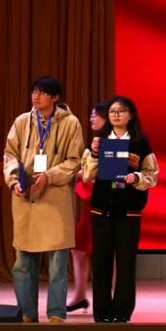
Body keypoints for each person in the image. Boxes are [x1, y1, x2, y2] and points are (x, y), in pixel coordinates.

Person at [2, 76, 84, 322]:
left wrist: (49, 176)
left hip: (55, 199)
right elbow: (10, 155)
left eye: (42, 92)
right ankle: (27, 313)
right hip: (26, 199)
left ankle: (56, 314)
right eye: (34, 92)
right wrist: (14, 181)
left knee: (58, 264)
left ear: (56, 97)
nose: (36, 96)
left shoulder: (70, 123)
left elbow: (74, 161)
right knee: (23, 263)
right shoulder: (22, 121)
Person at [80, 95, 159, 323]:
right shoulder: (99, 141)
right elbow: (87, 175)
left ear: (130, 115)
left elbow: (152, 175)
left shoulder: (140, 143)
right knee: (101, 264)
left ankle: (122, 313)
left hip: (129, 212)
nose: (116, 114)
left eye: (121, 111)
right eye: (113, 111)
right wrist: (94, 154)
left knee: (125, 265)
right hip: (101, 211)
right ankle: (102, 313)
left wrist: (137, 178)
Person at [67, 100, 108, 314]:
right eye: (91, 114)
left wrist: (88, 175)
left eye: (96, 114)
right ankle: (80, 294)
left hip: (106, 203)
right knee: (79, 248)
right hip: (91, 205)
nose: (91, 118)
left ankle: (110, 295)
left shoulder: (114, 142)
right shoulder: (94, 143)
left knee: (110, 251)